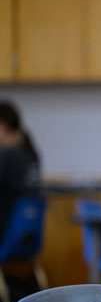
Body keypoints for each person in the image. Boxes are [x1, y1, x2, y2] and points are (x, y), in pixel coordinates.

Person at [0, 100, 40, 237]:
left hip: (7, 229)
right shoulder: (31, 151)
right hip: (25, 231)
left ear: (3, 126)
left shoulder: (7, 155)